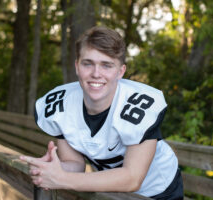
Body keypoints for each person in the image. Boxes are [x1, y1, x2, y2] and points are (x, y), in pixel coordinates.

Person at [20, 26, 183, 199]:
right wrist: (53, 169)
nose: (96, 74)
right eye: (87, 63)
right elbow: (74, 163)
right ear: (77, 66)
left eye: (107, 65)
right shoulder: (62, 105)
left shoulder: (138, 104)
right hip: (111, 192)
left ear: (121, 71)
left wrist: (63, 179)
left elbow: (132, 178)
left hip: (158, 190)